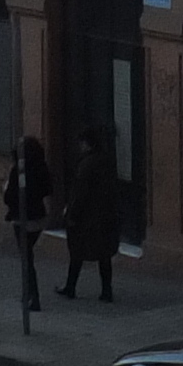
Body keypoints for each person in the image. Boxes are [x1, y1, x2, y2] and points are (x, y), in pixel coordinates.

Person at [58, 128, 125, 302]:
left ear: (86, 143)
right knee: (104, 256)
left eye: (81, 143)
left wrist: (71, 214)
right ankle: (106, 291)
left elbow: (79, 194)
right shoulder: (107, 161)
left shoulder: (86, 165)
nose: (79, 146)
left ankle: (70, 287)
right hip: (106, 216)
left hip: (87, 219)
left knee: (77, 253)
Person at [1, 136, 56, 316]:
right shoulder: (42, 167)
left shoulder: (18, 171)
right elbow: (48, 191)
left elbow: (9, 197)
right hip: (38, 219)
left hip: (21, 220)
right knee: (28, 255)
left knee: (26, 259)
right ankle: (28, 294)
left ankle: (33, 295)